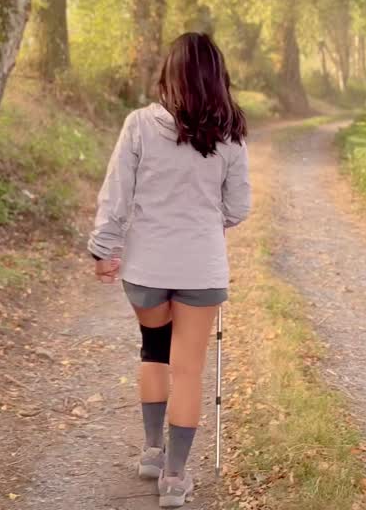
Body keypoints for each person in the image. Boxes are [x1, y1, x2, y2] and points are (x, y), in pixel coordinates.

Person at [88, 32, 251, 507]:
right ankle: (176, 479)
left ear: (169, 73)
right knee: (189, 369)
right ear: (217, 78)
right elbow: (238, 207)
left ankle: (152, 452)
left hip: (146, 268)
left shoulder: (139, 125)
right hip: (201, 269)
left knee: (154, 351)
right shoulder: (230, 134)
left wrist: (104, 249)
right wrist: (203, 221)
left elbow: (116, 194)